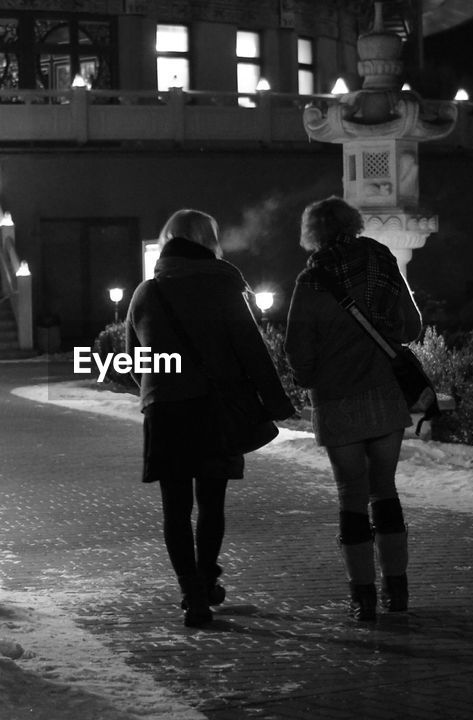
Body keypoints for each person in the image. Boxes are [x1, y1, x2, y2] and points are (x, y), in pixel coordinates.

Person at [126, 208, 295, 628]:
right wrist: (275, 404)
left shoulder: (147, 293)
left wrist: (160, 387)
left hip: (166, 411)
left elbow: (134, 362)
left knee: (176, 507)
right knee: (211, 503)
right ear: (209, 241)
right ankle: (205, 576)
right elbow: (252, 351)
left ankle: (191, 591)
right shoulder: (225, 288)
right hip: (217, 409)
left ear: (168, 240)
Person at [283, 196, 423, 622]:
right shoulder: (381, 259)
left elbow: (297, 351)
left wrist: (312, 376)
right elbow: (412, 326)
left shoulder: (311, 280)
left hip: (337, 398)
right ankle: (396, 590)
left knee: (351, 496)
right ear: (354, 222)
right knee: (386, 490)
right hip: (384, 392)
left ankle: (362, 597)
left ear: (313, 233)